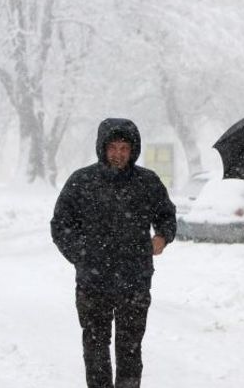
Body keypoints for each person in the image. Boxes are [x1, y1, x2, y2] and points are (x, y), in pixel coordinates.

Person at [50, 118, 176, 388]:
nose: (118, 154)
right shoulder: (82, 182)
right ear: (102, 148)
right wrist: (82, 255)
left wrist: (162, 237)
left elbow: (167, 215)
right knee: (95, 345)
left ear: (133, 150)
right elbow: (60, 224)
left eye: (124, 148)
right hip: (93, 282)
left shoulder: (147, 182)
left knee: (130, 347)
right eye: (113, 148)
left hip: (135, 280)